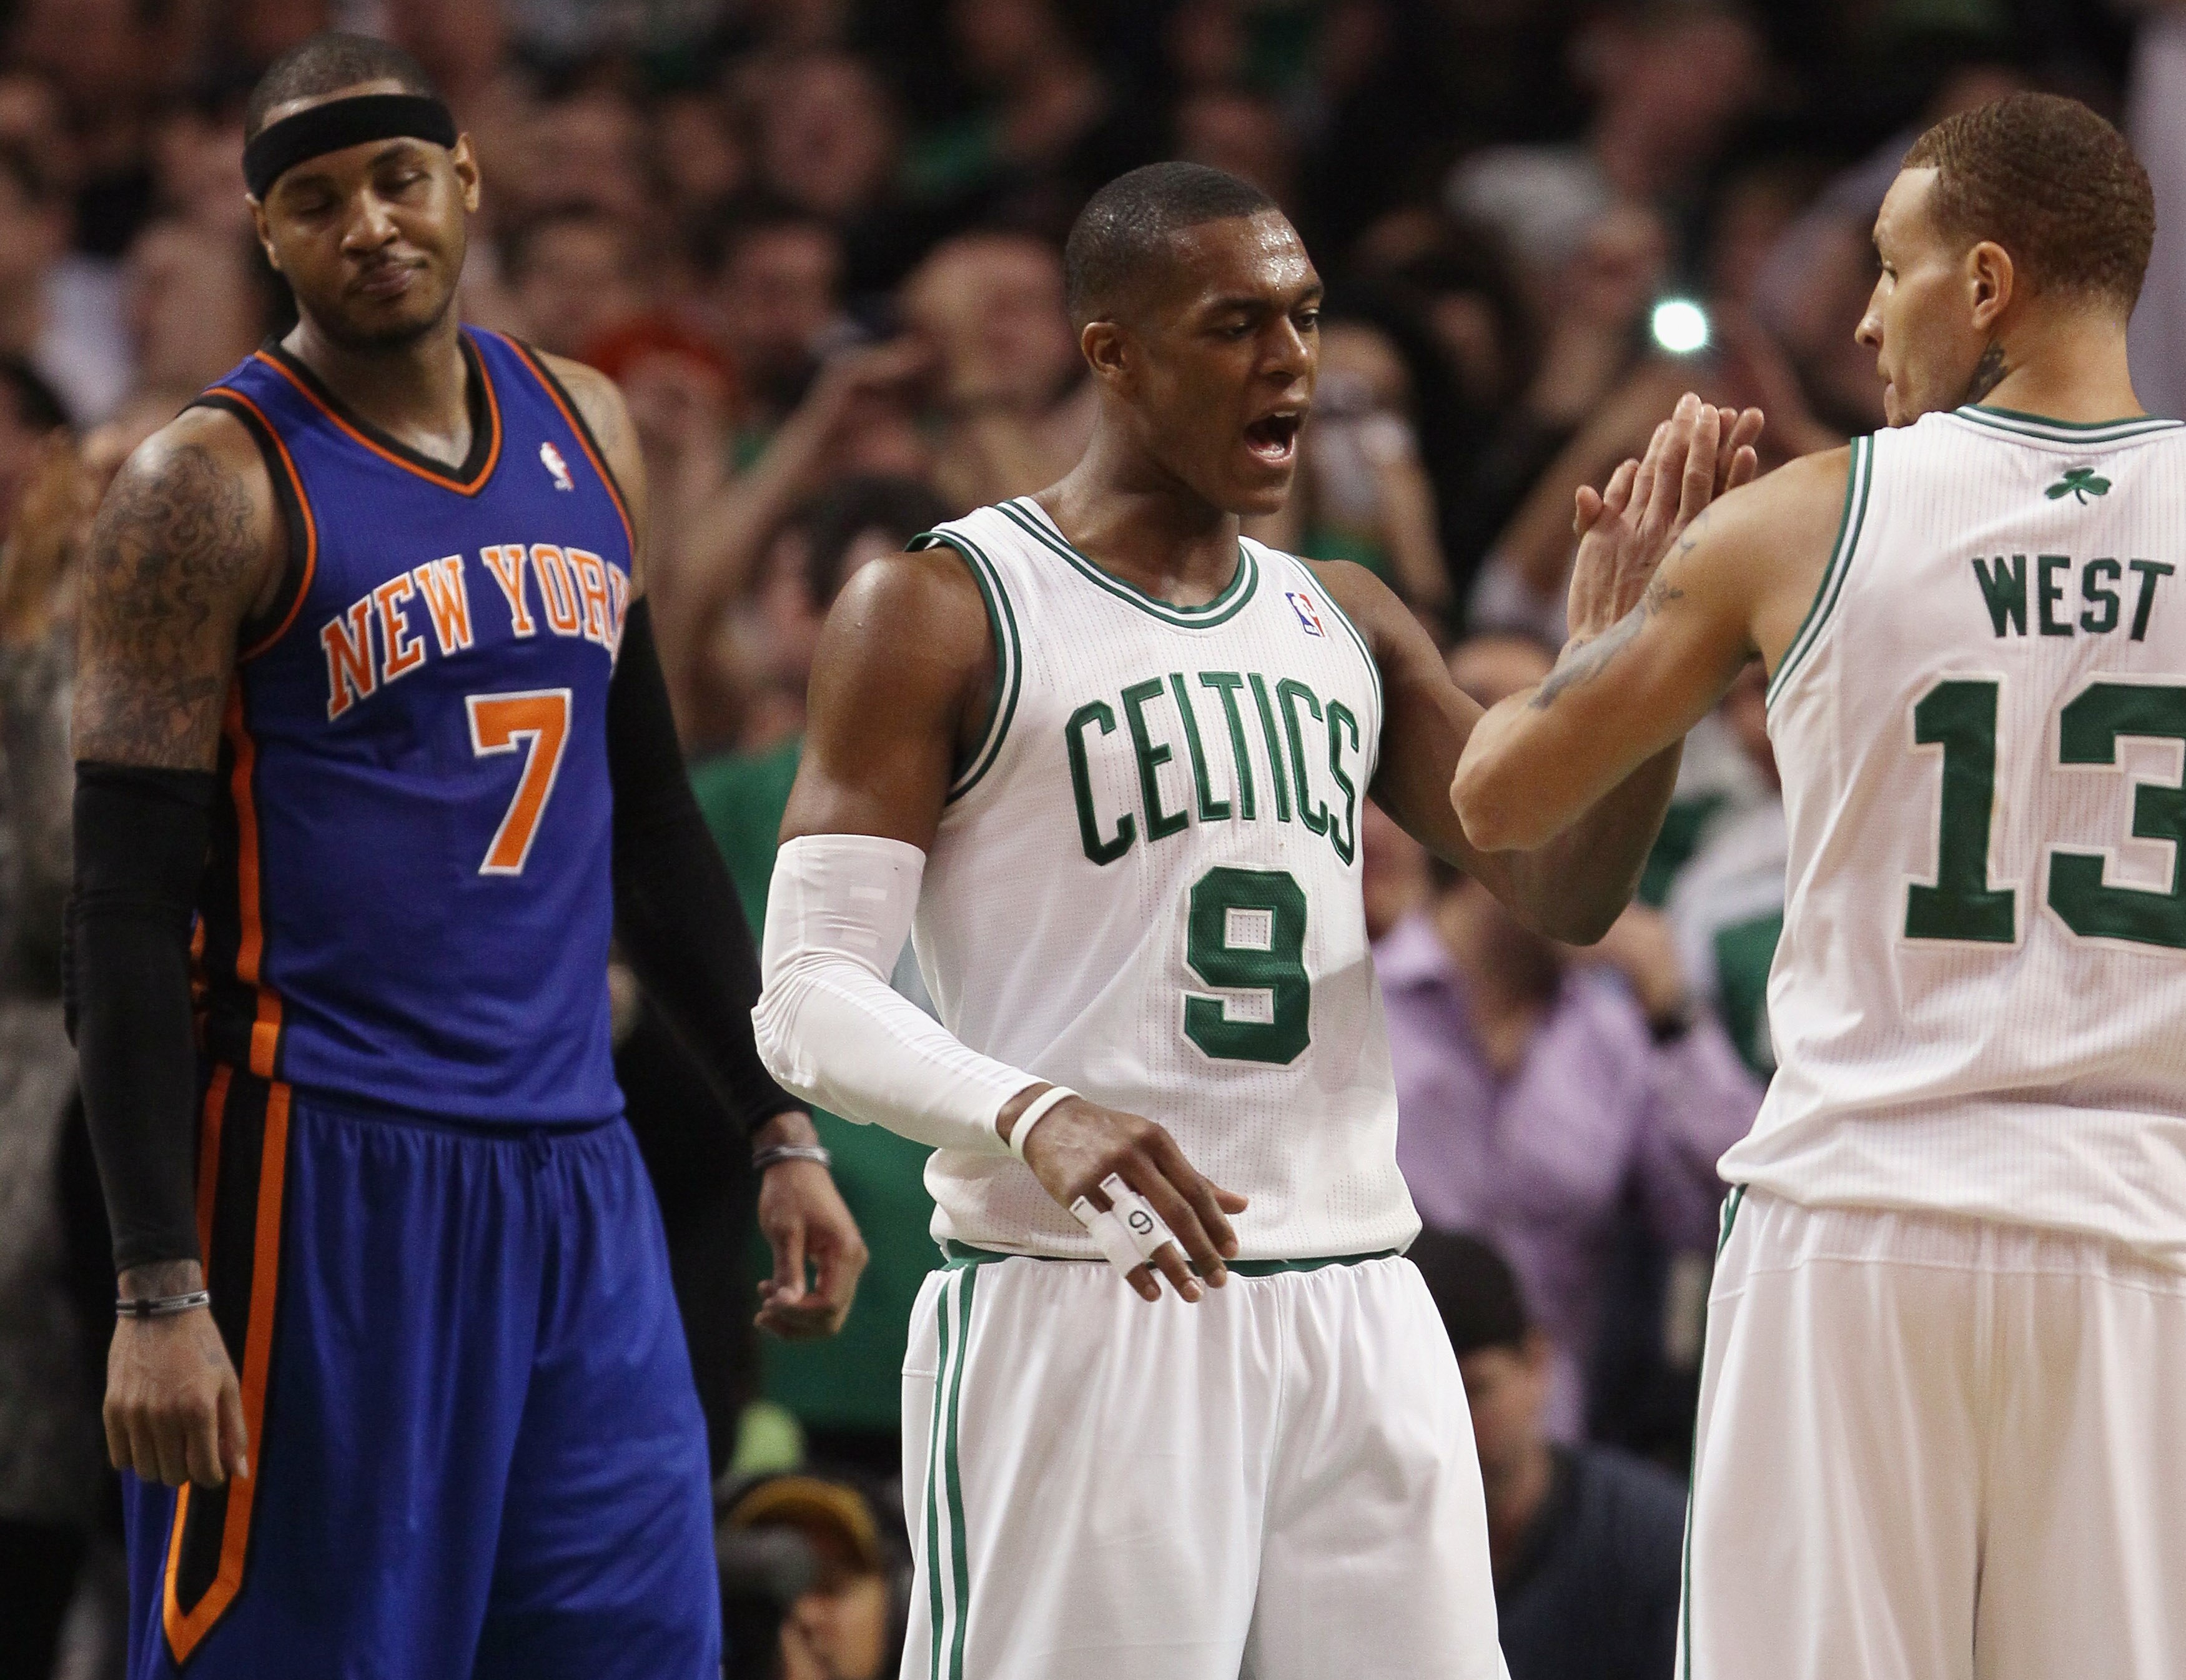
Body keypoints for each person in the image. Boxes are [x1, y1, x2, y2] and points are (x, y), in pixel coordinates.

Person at [751, 161, 1758, 1679]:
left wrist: (1642, 673)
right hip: (1091, 1305)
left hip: (1361, 1295)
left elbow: (1567, 886)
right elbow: (806, 991)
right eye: (1236, 324)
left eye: (1302, 317)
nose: (1290, 358)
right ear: (1112, 353)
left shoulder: (1344, 613)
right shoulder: (945, 605)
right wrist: (1027, 1110)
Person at [69, 33, 864, 1679]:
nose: (366, 222)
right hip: (320, 1173)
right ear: (265, 236)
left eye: (395, 178)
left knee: (630, 1645)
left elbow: (645, 812)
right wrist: (160, 1284)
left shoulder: (585, 423)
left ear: (465, 183)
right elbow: (124, 914)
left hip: (578, 1163)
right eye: (314, 199)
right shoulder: (196, 490)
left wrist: (772, 1115)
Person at [1452, 92, 2186, 1678]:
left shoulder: (1799, 519)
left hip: (1856, 1226)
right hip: (2141, 1231)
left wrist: (1600, 637)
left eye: (1890, 267)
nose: (1861, 317)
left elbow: (1499, 798)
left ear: (1984, 284)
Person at [1408, 1229, 1686, 1680]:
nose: (1451, 1426)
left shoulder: (1654, 1548)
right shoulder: (1367, 1550)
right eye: (1424, 1399)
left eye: (1477, 1391)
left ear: (1536, 1363)